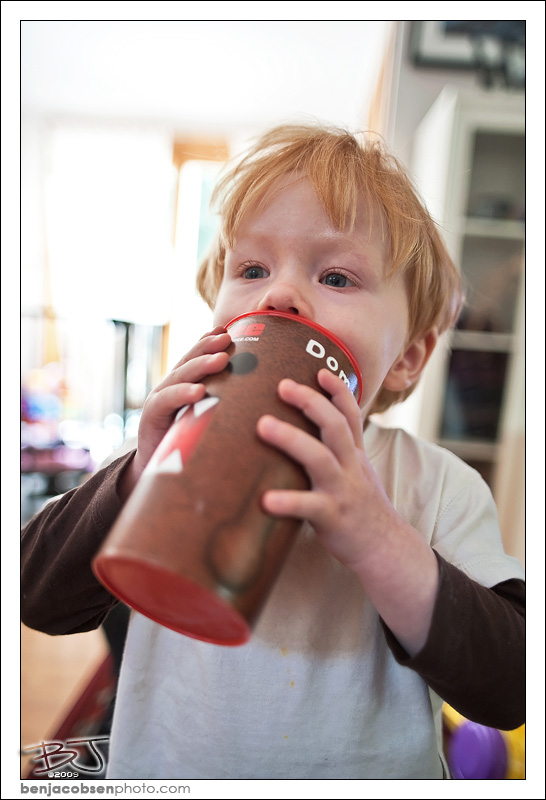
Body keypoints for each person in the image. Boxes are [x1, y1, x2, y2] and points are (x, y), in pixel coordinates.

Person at [21, 123, 525, 780]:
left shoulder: (435, 484)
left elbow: (511, 686)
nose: (278, 295)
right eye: (252, 269)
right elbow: (35, 596)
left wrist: (380, 539)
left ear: (406, 356)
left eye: (336, 276)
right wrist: (140, 474)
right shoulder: (162, 447)